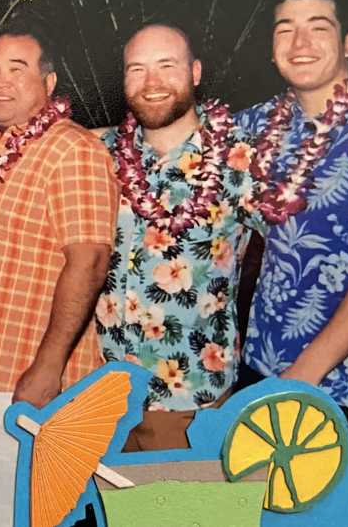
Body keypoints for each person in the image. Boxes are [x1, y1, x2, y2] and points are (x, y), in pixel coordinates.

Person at [0, 24, 118, 527]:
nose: (0, 80)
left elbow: (90, 261)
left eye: (18, 68)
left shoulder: (72, 150)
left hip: (25, 377)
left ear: (50, 82)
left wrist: (49, 364)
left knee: (29, 516)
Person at [97, 25, 263, 451]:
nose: (152, 83)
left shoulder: (240, 158)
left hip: (190, 402)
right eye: (137, 68)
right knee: (112, 519)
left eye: (166, 66)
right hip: (101, 398)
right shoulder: (100, 153)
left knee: (189, 517)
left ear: (195, 71)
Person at [234, 0, 348, 494]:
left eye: (319, 26)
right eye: (285, 28)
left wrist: (308, 371)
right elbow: (171, 137)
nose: (300, 42)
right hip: (264, 369)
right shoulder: (261, 125)